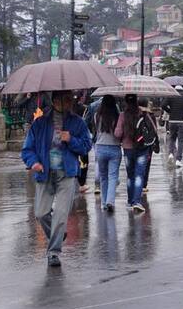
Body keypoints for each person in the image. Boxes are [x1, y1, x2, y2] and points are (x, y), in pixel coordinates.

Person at [21, 90, 92, 267]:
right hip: (44, 173)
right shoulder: (40, 123)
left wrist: (71, 139)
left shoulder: (77, 123)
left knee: (61, 214)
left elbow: (86, 147)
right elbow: (27, 149)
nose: (69, 102)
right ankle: (58, 233)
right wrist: (34, 162)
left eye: (71, 99)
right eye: (65, 99)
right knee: (40, 213)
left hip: (66, 174)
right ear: (55, 101)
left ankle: (53, 252)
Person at [115, 94, 155, 212]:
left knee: (130, 175)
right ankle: (137, 202)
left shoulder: (122, 115)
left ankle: (130, 201)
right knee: (139, 175)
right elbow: (153, 130)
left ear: (126, 102)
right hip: (142, 148)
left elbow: (117, 134)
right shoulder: (143, 114)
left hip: (127, 149)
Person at [94, 95, 122, 212]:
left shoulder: (97, 116)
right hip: (114, 148)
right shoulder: (117, 116)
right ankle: (110, 201)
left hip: (100, 148)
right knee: (112, 176)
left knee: (103, 177)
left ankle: (104, 203)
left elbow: (95, 130)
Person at [161, 85, 183, 168]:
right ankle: (178, 160)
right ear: (182, 89)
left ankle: (171, 154)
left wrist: (170, 111)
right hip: (182, 121)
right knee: (181, 141)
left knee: (172, 138)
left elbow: (163, 105)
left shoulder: (171, 95)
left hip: (172, 121)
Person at [138, 97, 158, 192]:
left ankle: (137, 184)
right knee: (146, 164)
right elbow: (154, 130)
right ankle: (144, 185)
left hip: (136, 144)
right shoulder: (151, 116)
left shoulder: (134, 115)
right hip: (147, 144)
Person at [72, 95, 91, 193]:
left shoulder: (68, 109)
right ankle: (82, 183)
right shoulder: (85, 109)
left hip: (71, 138)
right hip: (81, 137)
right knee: (83, 162)